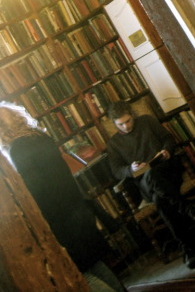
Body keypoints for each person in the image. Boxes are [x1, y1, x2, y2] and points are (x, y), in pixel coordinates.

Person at [0, 101, 126, 292]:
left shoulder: (19, 149)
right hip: (77, 210)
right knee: (94, 265)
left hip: (60, 222)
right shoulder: (40, 137)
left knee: (81, 274)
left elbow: (37, 190)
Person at [106, 101, 195, 269]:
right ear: (114, 124)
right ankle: (191, 210)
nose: (126, 126)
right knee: (151, 176)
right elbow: (117, 170)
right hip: (145, 183)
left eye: (128, 121)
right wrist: (129, 169)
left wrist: (167, 150)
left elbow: (168, 139)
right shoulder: (113, 144)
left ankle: (189, 248)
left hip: (168, 173)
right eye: (121, 124)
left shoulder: (147, 121)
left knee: (160, 200)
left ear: (132, 115)